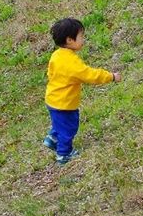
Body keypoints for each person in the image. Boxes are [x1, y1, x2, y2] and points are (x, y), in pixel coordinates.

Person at [44, 18, 121, 164]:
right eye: (81, 36)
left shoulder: (57, 55)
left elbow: (51, 73)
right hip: (65, 103)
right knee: (69, 127)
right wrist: (111, 76)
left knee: (59, 122)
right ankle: (64, 154)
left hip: (52, 98)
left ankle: (52, 139)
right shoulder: (72, 63)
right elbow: (90, 75)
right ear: (70, 40)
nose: (83, 39)